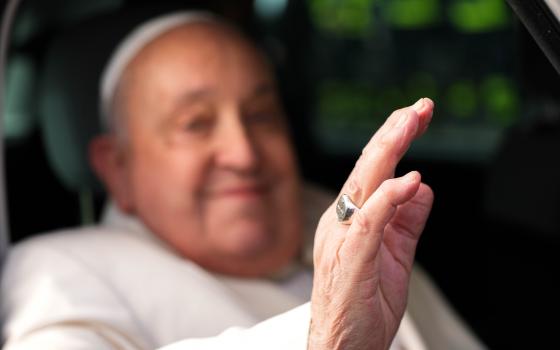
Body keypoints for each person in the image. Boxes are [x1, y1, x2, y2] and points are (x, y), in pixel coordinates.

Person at [1, 12, 484, 350]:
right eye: (195, 124)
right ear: (116, 167)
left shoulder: (344, 216)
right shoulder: (60, 271)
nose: (244, 153)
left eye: (261, 116)